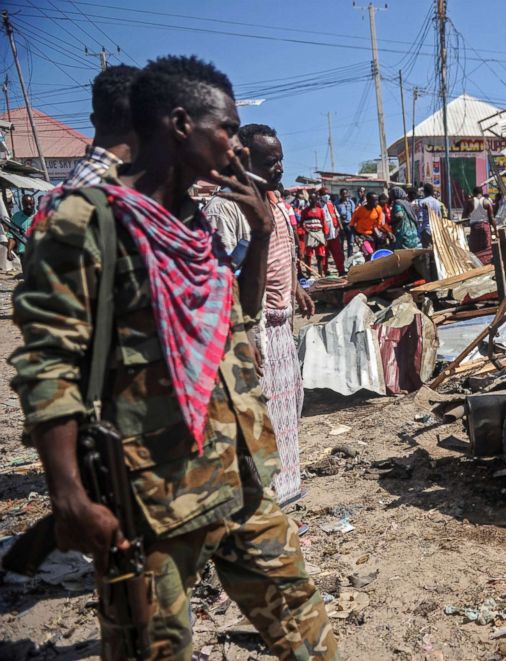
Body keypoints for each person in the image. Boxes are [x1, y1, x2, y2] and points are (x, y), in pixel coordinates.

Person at [10, 54, 336, 659]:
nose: (238, 146)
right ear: (181, 124)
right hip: (151, 499)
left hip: (240, 479)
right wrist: (68, 499)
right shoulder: (88, 220)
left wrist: (261, 232)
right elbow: (47, 365)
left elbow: (234, 327)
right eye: (229, 129)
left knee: (307, 635)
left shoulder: (197, 224)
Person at [204, 123, 314, 507]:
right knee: (257, 419)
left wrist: (296, 286)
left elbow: (283, 251)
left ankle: (285, 492)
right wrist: (242, 336)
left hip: (280, 324)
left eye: (281, 159)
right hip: (252, 333)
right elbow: (219, 282)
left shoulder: (275, 202)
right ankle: (260, 505)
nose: (280, 168)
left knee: (287, 407)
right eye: (271, 161)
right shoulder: (224, 209)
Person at [351, 191, 389, 258]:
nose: (377, 202)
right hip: (361, 235)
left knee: (374, 254)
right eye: (374, 200)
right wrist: (356, 236)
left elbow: (380, 224)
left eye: (377, 200)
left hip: (372, 235)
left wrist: (388, 232)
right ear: (368, 200)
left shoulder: (378, 209)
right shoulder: (359, 210)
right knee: (369, 253)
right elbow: (351, 224)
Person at [298, 195, 330, 274]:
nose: (313, 200)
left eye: (315, 198)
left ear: (317, 199)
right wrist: (305, 231)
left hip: (319, 233)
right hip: (309, 234)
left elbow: (323, 222)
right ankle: (309, 273)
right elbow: (301, 223)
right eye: (311, 199)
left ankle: (320, 273)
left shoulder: (320, 211)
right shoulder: (305, 211)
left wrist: (325, 235)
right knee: (308, 255)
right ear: (309, 199)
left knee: (320, 255)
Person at [464, 186, 495, 254]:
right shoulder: (487, 202)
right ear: (482, 193)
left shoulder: (469, 202)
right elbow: (491, 218)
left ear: (474, 193)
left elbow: (464, 217)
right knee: (487, 249)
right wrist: (496, 231)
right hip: (485, 227)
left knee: (474, 249)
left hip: (474, 228)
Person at [322, 196, 345, 275]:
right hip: (323, 235)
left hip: (334, 233)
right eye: (323, 194)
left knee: (337, 253)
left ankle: (341, 270)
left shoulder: (331, 204)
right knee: (324, 255)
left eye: (326, 194)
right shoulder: (318, 206)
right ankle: (324, 271)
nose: (326, 196)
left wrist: (341, 228)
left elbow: (337, 216)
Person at [9, 193, 35, 258]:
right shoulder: (16, 217)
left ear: (34, 203)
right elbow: (12, 236)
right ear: (22, 204)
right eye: (26, 204)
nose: (28, 206)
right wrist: (9, 251)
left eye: (31, 204)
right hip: (23, 255)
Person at [335, 187, 356, 257]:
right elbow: (335, 214)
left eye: (346, 194)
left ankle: (349, 258)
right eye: (343, 194)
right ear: (340, 194)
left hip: (349, 224)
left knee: (350, 243)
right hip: (340, 225)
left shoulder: (351, 202)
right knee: (340, 243)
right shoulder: (336, 203)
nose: (344, 195)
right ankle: (342, 258)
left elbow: (354, 214)